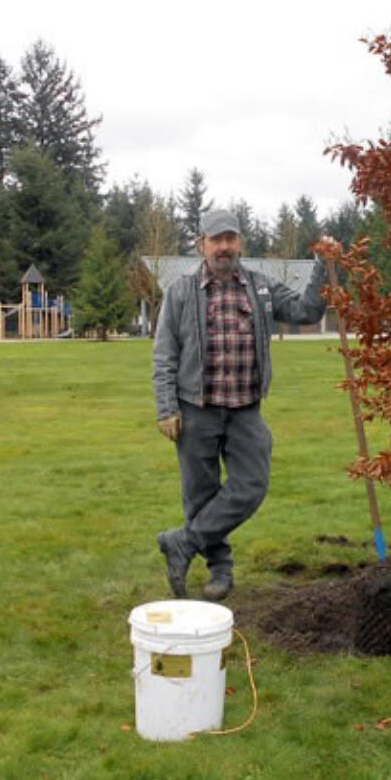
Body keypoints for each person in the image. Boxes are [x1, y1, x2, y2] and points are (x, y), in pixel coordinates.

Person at [152, 209, 330, 601]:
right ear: (202, 244)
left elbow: (307, 311)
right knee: (200, 493)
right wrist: (166, 407)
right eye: (216, 239)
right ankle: (220, 569)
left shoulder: (261, 286)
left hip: (245, 408)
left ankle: (183, 541)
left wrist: (324, 270)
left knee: (251, 484)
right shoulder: (180, 292)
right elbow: (164, 353)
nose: (224, 247)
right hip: (196, 407)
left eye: (231, 238)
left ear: (240, 244)